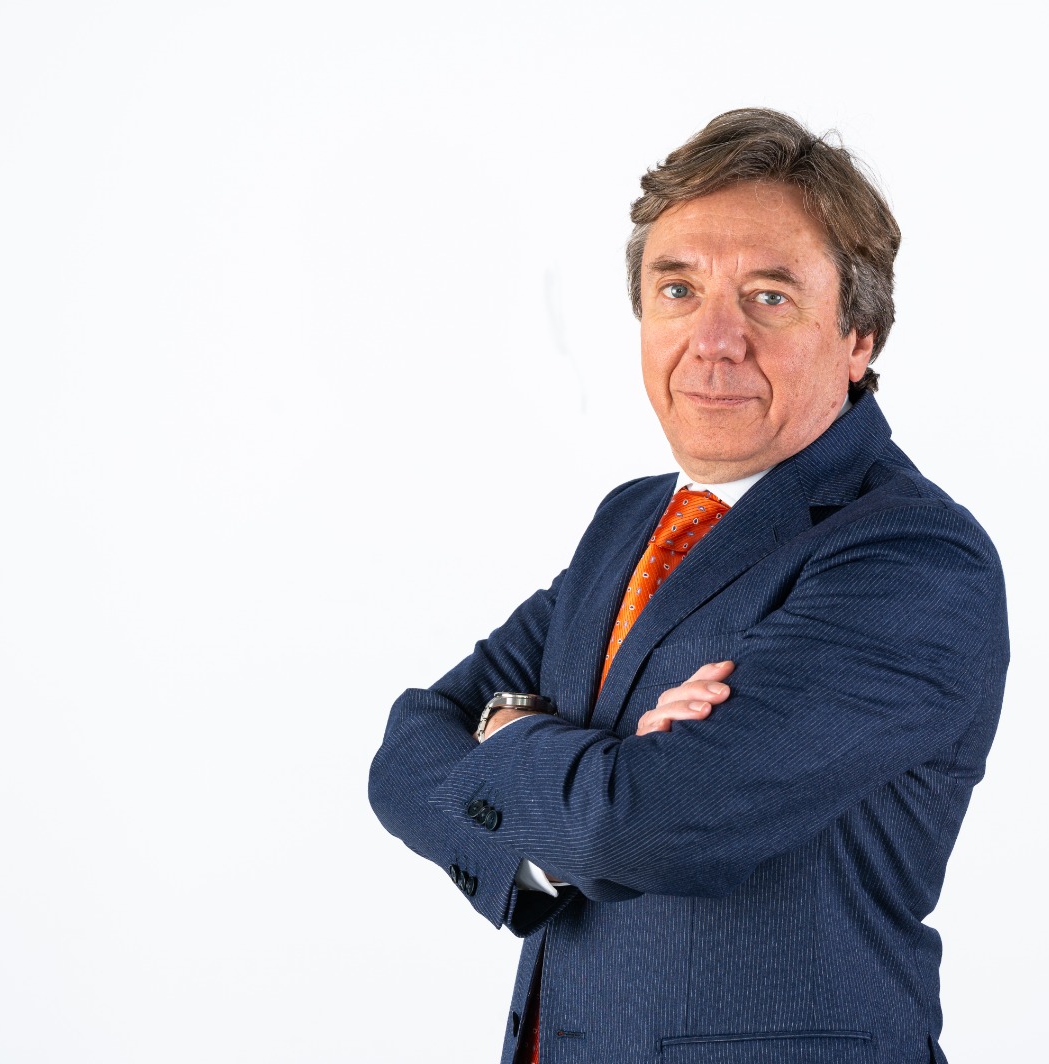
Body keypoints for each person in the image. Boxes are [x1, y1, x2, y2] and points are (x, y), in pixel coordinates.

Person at [369, 107, 1009, 1064]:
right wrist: (590, 792)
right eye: (678, 289)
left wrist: (511, 736)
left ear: (859, 337)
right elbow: (407, 748)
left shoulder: (910, 558)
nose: (714, 340)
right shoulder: (631, 523)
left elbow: (648, 828)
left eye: (768, 297)